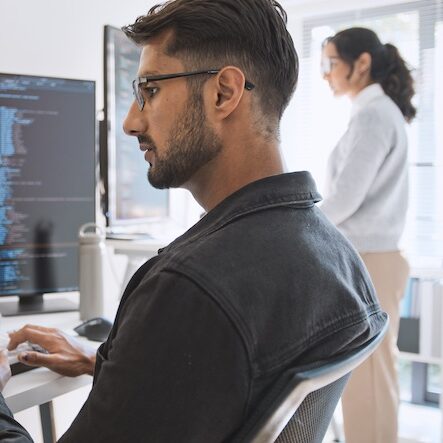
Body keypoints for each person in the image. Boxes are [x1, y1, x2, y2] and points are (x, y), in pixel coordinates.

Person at [0, 3, 386, 442]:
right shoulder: (337, 258)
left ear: (223, 93)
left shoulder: (191, 288)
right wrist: (115, 362)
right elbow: (227, 385)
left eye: (149, 90)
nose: (130, 122)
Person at [320, 27, 416, 443]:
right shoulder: (373, 113)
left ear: (362, 64)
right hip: (374, 258)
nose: (324, 74)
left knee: (369, 381)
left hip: (371, 260)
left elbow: (344, 199)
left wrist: (300, 225)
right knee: (370, 378)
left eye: (331, 63)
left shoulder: (375, 115)